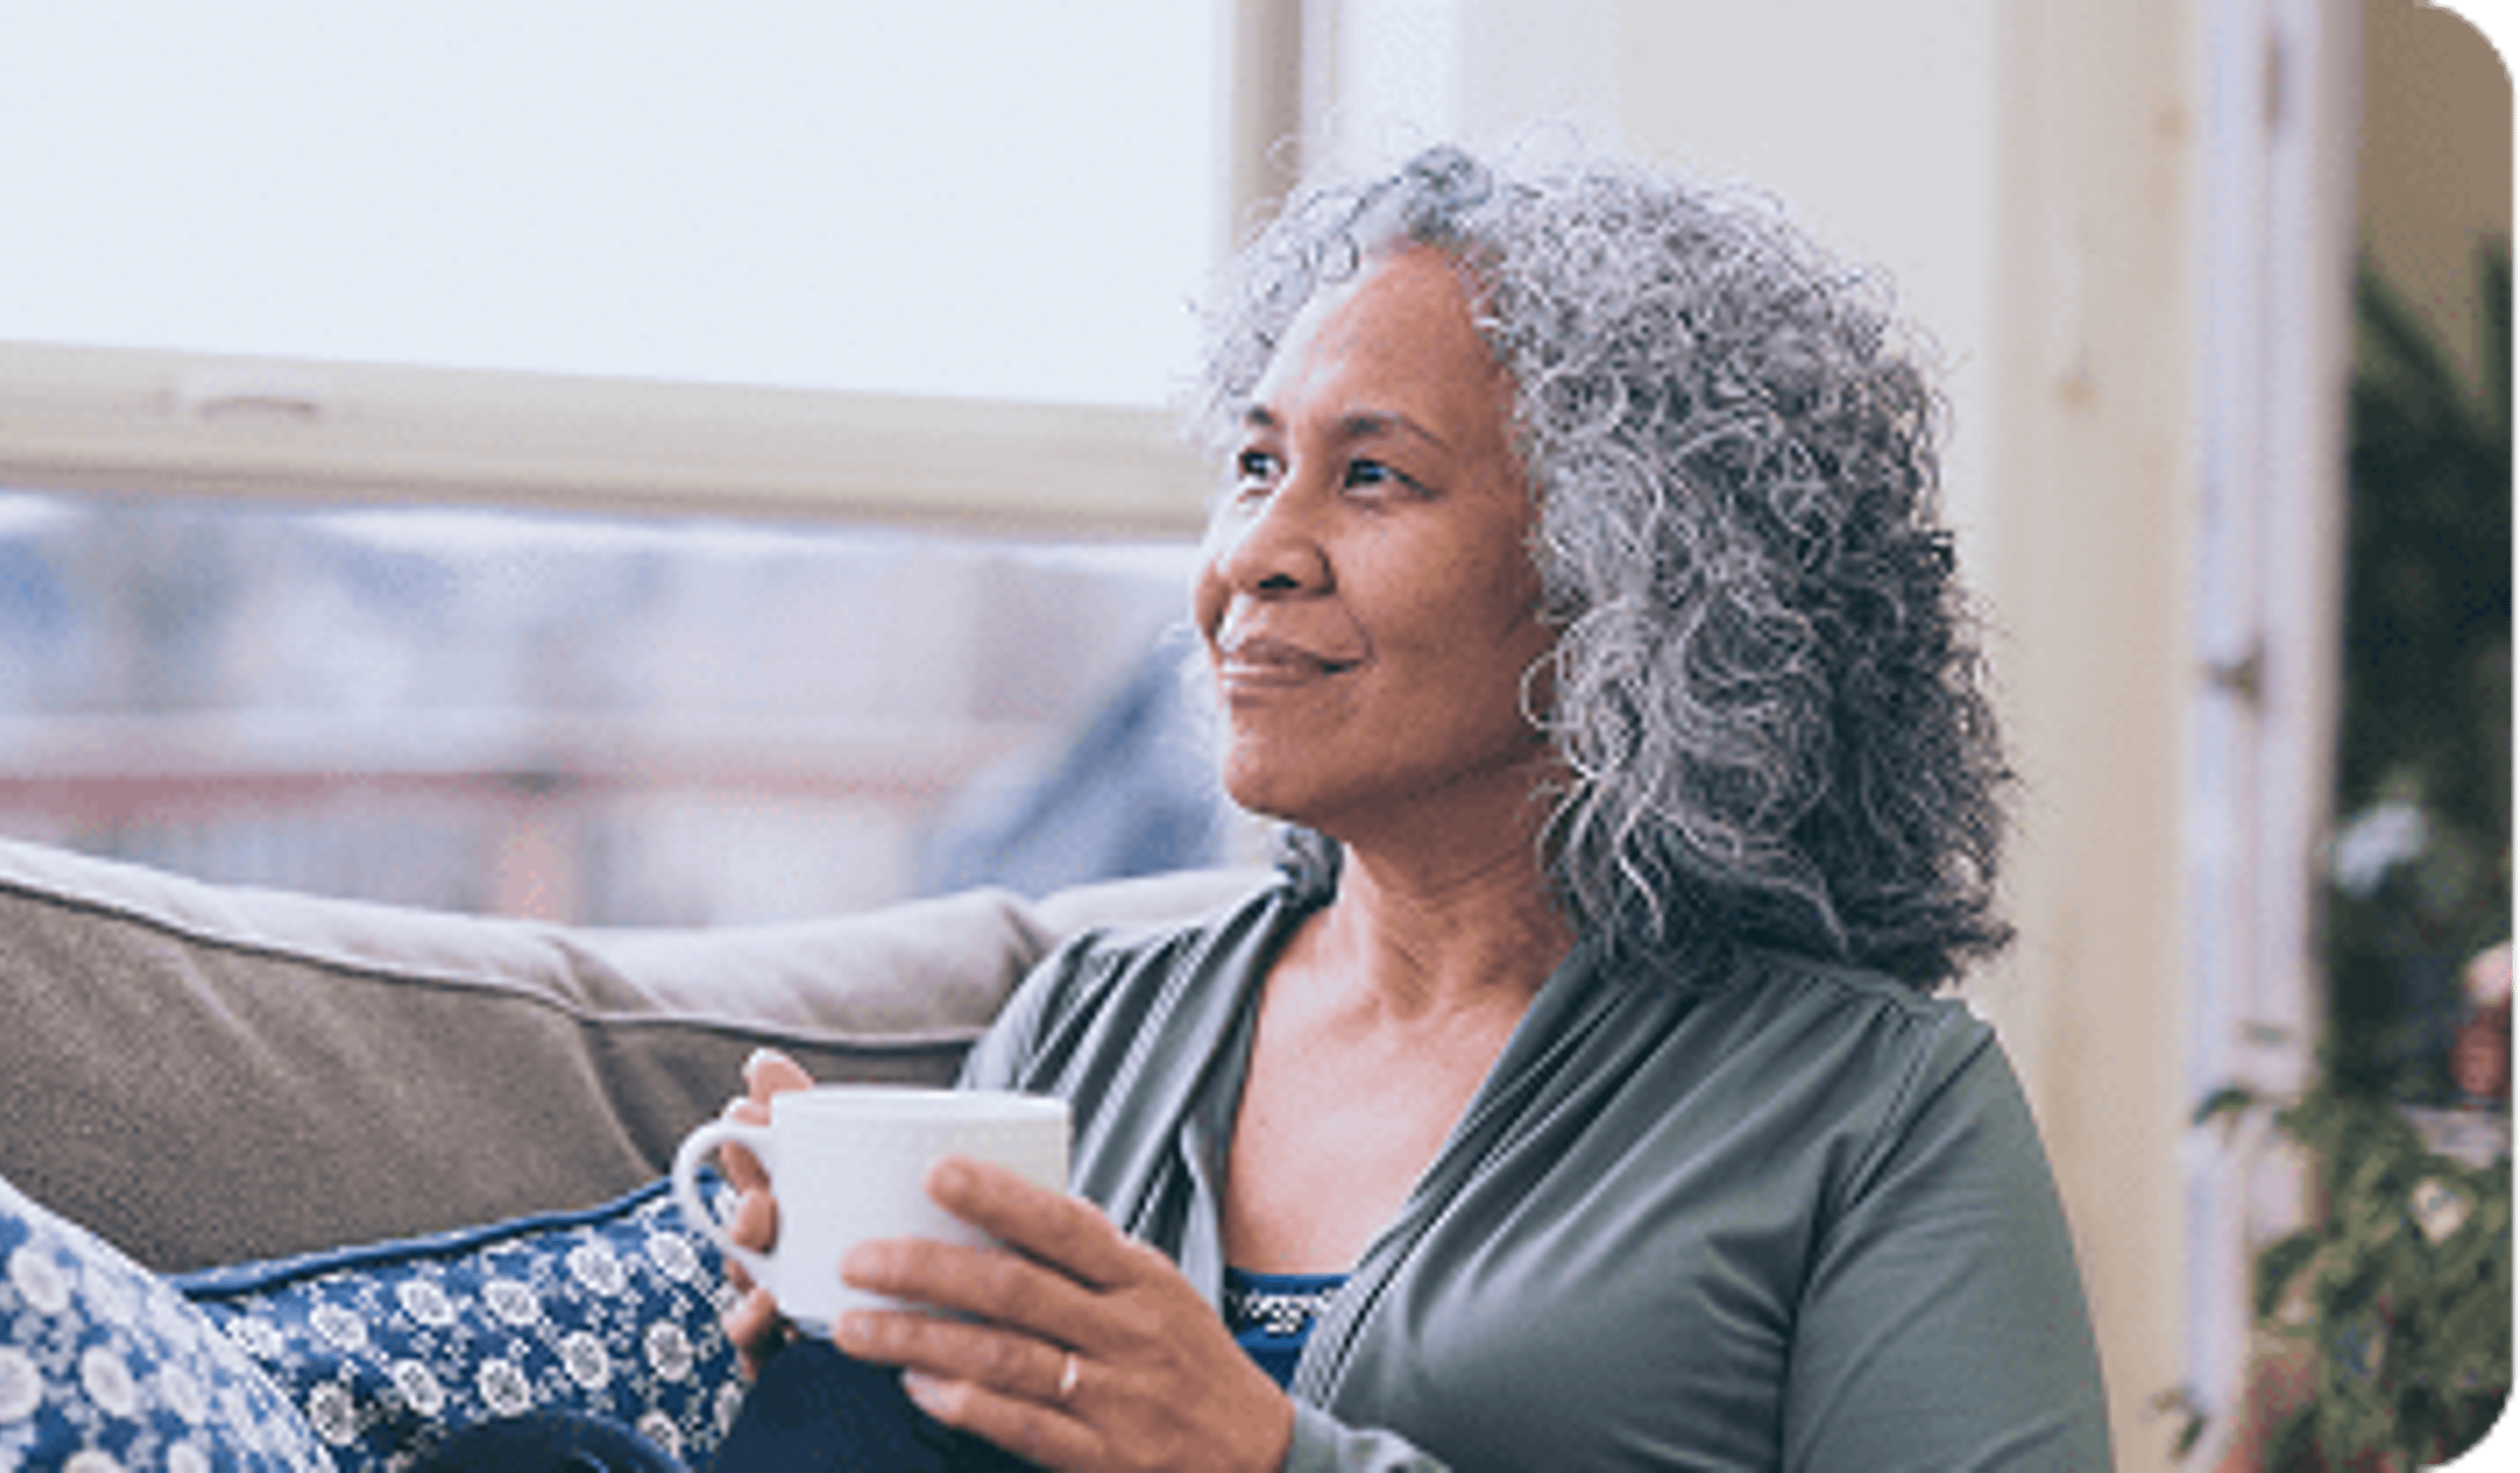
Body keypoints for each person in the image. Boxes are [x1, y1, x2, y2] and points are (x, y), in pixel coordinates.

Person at [703, 144, 2114, 1471]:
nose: (1253, 553)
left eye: (1372, 477)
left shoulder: (1870, 1114)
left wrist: (1272, 1457)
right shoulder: (1088, 1022)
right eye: (1257, 466)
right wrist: (841, 1370)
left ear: (1632, 578)